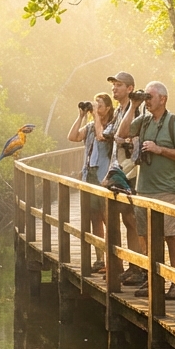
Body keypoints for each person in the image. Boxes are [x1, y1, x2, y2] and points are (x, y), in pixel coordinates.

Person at [116, 81, 175, 299]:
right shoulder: (145, 121)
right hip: (144, 189)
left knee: (171, 236)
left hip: (166, 189)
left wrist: (160, 150)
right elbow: (121, 133)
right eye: (145, 97)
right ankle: (152, 280)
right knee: (145, 236)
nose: (147, 101)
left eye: (150, 97)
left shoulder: (174, 123)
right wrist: (133, 105)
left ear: (163, 99)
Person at [103, 71, 145, 286]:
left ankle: (140, 268)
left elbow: (136, 136)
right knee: (125, 220)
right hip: (118, 169)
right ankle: (131, 265)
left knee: (134, 220)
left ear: (130, 88)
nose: (114, 88)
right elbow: (109, 134)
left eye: (119, 85)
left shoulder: (138, 109)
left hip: (132, 171)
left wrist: (127, 139)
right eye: (113, 85)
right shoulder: (119, 111)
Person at [68, 92, 114, 271]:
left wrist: (95, 116)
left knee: (106, 217)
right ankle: (99, 258)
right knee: (94, 217)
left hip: (104, 177)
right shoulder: (88, 127)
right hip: (89, 175)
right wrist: (80, 116)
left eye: (100, 106)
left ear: (108, 108)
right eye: (95, 106)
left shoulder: (111, 126)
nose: (97, 109)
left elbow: (101, 136)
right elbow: (72, 136)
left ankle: (112, 259)